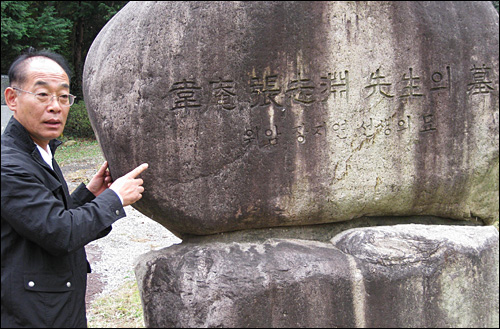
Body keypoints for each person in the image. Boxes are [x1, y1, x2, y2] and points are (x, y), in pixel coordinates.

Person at [1, 49, 148, 328]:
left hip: (53, 308)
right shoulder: (8, 165)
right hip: (31, 316)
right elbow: (59, 233)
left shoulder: (38, 152)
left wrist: (89, 195)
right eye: (42, 94)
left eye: (63, 96)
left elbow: (43, 219)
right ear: (12, 99)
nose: (55, 106)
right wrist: (115, 198)